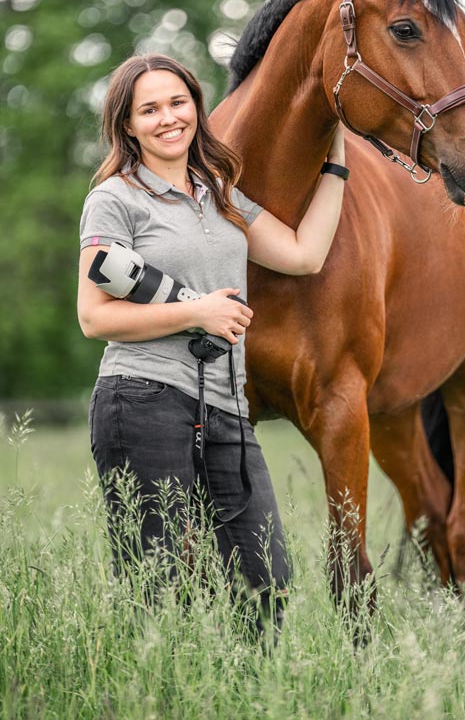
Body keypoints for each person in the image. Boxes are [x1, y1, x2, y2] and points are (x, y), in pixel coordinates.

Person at [77, 53, 347, 635]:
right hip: (141, 399)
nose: (167, 118)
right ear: (128, 124)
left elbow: (305, 254)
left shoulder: (220, 191)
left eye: (177, 103)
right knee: (160, 587)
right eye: (148, 109)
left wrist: (337, 164)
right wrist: (196, 311)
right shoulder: (114, 199)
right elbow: (94, 318)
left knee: (266, 581)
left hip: (226, 405)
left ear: (196, 107)